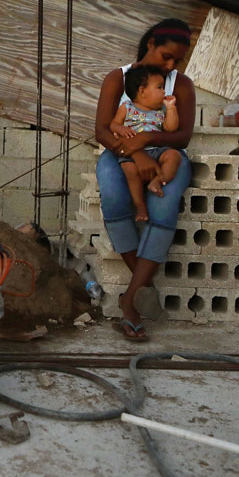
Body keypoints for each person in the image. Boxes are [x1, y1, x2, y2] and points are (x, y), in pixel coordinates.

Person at [94, 18, 196, 342]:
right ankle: (144, 289)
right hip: (119, 152)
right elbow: (101, 130)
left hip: (166, 153)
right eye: (166, 56)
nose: (170, 65)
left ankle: (130, 302)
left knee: (163, 207)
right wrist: (136, 154)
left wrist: (148, 139)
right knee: (113, 197)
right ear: (150, 43)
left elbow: (182, 136)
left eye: (177, 61)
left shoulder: (181, 85)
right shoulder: (118, 79)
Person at [108, 64, 181, 222]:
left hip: (157, 150)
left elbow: (171, 128)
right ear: (142, 91)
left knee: (174, 156)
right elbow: (113, 124)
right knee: (129, 169)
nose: (164, 92)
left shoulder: (161, 110)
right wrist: (120, 129)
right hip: (133, 152)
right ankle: (140, 205)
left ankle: (158, 181)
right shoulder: (126, 107)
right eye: (160, 87)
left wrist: (171, 109)